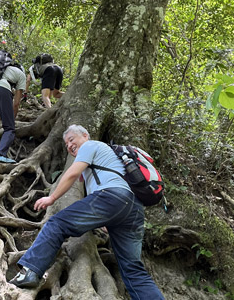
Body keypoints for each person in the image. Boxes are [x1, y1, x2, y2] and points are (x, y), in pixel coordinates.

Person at [9, 125, 165, 299]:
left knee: (57, 223)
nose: (69, 145)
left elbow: (71, 175)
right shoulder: (106, 159)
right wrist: (107, 221)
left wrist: (51, 198)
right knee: (133, 270)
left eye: (71, 139)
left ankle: (31, 271)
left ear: (85, 135)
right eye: (66, 143)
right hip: (133, 209)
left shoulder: (90, 146)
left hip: (112, 198)